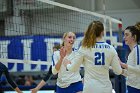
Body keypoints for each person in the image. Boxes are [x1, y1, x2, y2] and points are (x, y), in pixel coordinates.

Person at [63, 21, 123, 93]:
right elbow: (118, 71)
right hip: (106, 89)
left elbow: (73, 68)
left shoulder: (84, 48)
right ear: (102, 32)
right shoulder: (111, 49)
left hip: (90, 88)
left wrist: (67, 64)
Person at [120, 26, 140, 93]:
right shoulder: (131, 53)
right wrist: (113, 67)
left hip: (137, 89)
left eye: (127, 35)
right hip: (131, 87)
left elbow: (139, 70)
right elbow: (130, 73)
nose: (124, 37)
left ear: (134, 37)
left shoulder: (138, 49)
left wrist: (122, 64)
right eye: (124, 35)